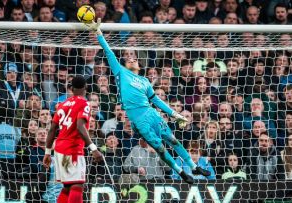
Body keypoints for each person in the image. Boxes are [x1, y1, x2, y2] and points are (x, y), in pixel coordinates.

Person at [88, 19, 210, 184]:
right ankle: (181, 172)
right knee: (159, 148)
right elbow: (109, 52)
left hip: (152, 114)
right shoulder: (121, 72)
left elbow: (157, 101)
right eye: (128, 58)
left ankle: (193, 166)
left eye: (134, 59)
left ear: (139, 64)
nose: (130, 59)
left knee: (173, 140)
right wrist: (99, 33)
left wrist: (175, 115)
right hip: (139, 120)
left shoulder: (145, 81)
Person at [43, 76, 103, 203]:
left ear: (71, 88)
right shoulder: (84, 103)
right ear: (85, 87)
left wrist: (47, 152)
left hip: (59, 149)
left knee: (67, 187)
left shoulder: (62, 105)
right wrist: (93, 148)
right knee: (77, 185)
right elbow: (80, 126)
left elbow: (51, 130)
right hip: (73, 149)